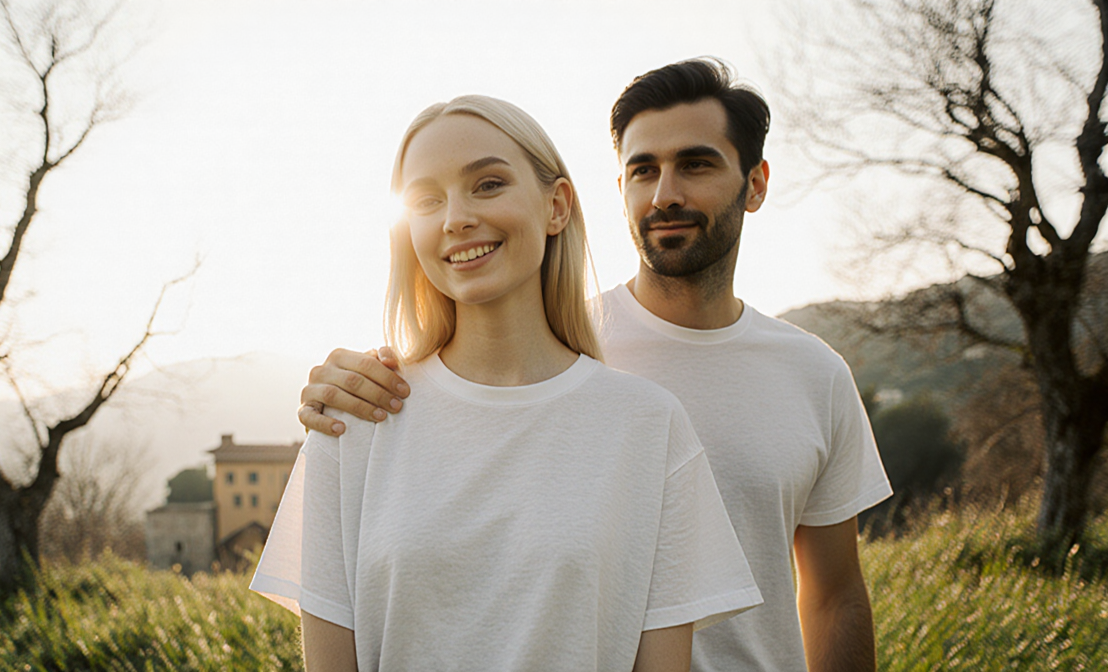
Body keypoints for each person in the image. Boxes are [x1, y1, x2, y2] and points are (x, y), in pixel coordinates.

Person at [297, 60, 894, 672]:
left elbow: (835, 593)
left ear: (756, 183)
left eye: (695, 164)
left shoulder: (802, 376)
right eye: (643, 170)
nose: (665, 194)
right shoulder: (391, 402)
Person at [252, 94, 762, 671]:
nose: (456, 218)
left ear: (557, 206)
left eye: (488, 184)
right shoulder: (355, 420)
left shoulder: (648, 425)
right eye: (426, 199)